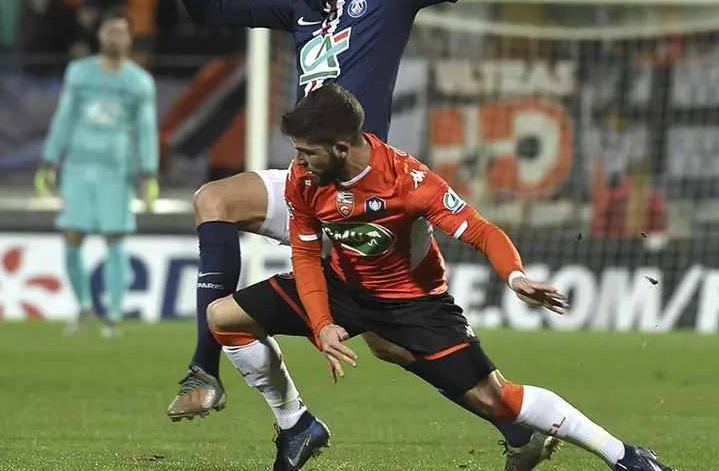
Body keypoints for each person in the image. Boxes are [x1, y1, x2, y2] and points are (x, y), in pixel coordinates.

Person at [142, 0, 623, 466]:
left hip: (368, 192)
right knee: (214, 199)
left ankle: (517, 428)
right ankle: (216, 373)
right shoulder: (298, 4)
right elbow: (212, 10)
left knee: (393, 345)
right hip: (309, 185)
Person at [208, 84, 678, 471]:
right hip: (342, 284)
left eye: (307, 151)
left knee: (499, 399)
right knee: (224, 317)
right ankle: (296, 424)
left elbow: (479, 230)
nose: (299, 161)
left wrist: (514, 277)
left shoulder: (408, 183)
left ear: (342, 147)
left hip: (413, 303)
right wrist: (321, 322)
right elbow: (308, 255)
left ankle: (628, 458)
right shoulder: (303, 178)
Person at [35, 12, 160, 338]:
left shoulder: (139, 82)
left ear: (130, 39)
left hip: (115, 170)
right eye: (111, 30)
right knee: (72, 237)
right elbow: (64, 116)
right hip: (77, 165)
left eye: (122, 31)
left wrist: (149, 171)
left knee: (115, 239)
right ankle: (84, 307)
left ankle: (114, 316)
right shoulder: (79, 73)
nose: (116, 37)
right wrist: (49, 160)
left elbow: (146, 130)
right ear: (100, 35)